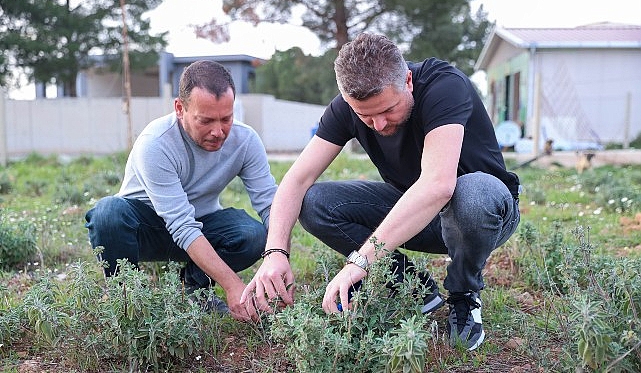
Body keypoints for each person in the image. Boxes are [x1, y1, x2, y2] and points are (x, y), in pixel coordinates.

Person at [241, 33, 521, 351]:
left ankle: (463, 294)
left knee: (471, 191)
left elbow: (437, 186)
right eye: (364, 115)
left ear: (408, 81)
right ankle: (415, 288)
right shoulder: (346, 108)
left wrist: (361, 262)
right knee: (315, 202)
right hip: (417, 216)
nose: (377, 123)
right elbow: (295, 181)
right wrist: (275, 253)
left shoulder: (445, 85)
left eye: (388, 109)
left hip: (484, 213)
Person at [85, 60, 277, 322]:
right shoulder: (155, 143)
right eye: (206, 120)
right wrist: (233, 285)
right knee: (107, 213)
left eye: (226, 118)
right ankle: (128, 301)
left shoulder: (246, 140)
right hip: (145, 229)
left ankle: (194, 290)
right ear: (180, 108)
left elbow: (269, 204)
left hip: (201, 223)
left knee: (254, 235)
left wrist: (280, 256)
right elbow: (181, 226)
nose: (218, 131)